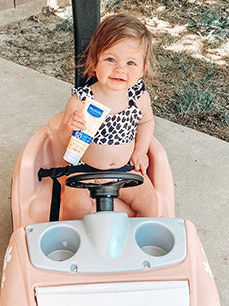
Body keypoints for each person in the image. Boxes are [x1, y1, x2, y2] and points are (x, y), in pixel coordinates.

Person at [58, 13, 158, 220]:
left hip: (125, 169)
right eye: (110, 59)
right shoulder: (81, 100)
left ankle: (135, 243)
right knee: (73, 207)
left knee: (151, 204)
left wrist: (140, 151)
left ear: (142, 69)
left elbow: (146, 122)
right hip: (84, 170)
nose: (120, 69)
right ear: (94, 63)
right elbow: (62, 139)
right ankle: (82, 241)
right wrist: (68, 128)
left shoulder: (138, 98)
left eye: (131, 63)